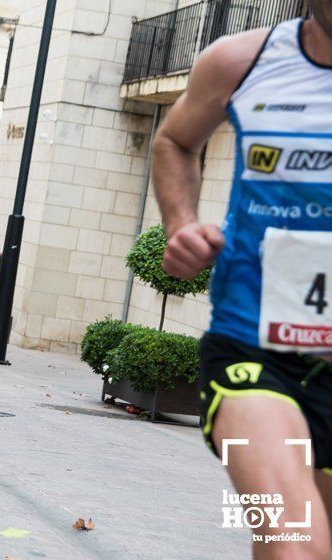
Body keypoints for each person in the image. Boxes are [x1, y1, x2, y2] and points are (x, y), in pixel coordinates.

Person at [152, 6, 332, 556]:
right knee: (295, 538)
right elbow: (174, 141)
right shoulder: (241, 60)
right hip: (253, 352)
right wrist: (181, 224)